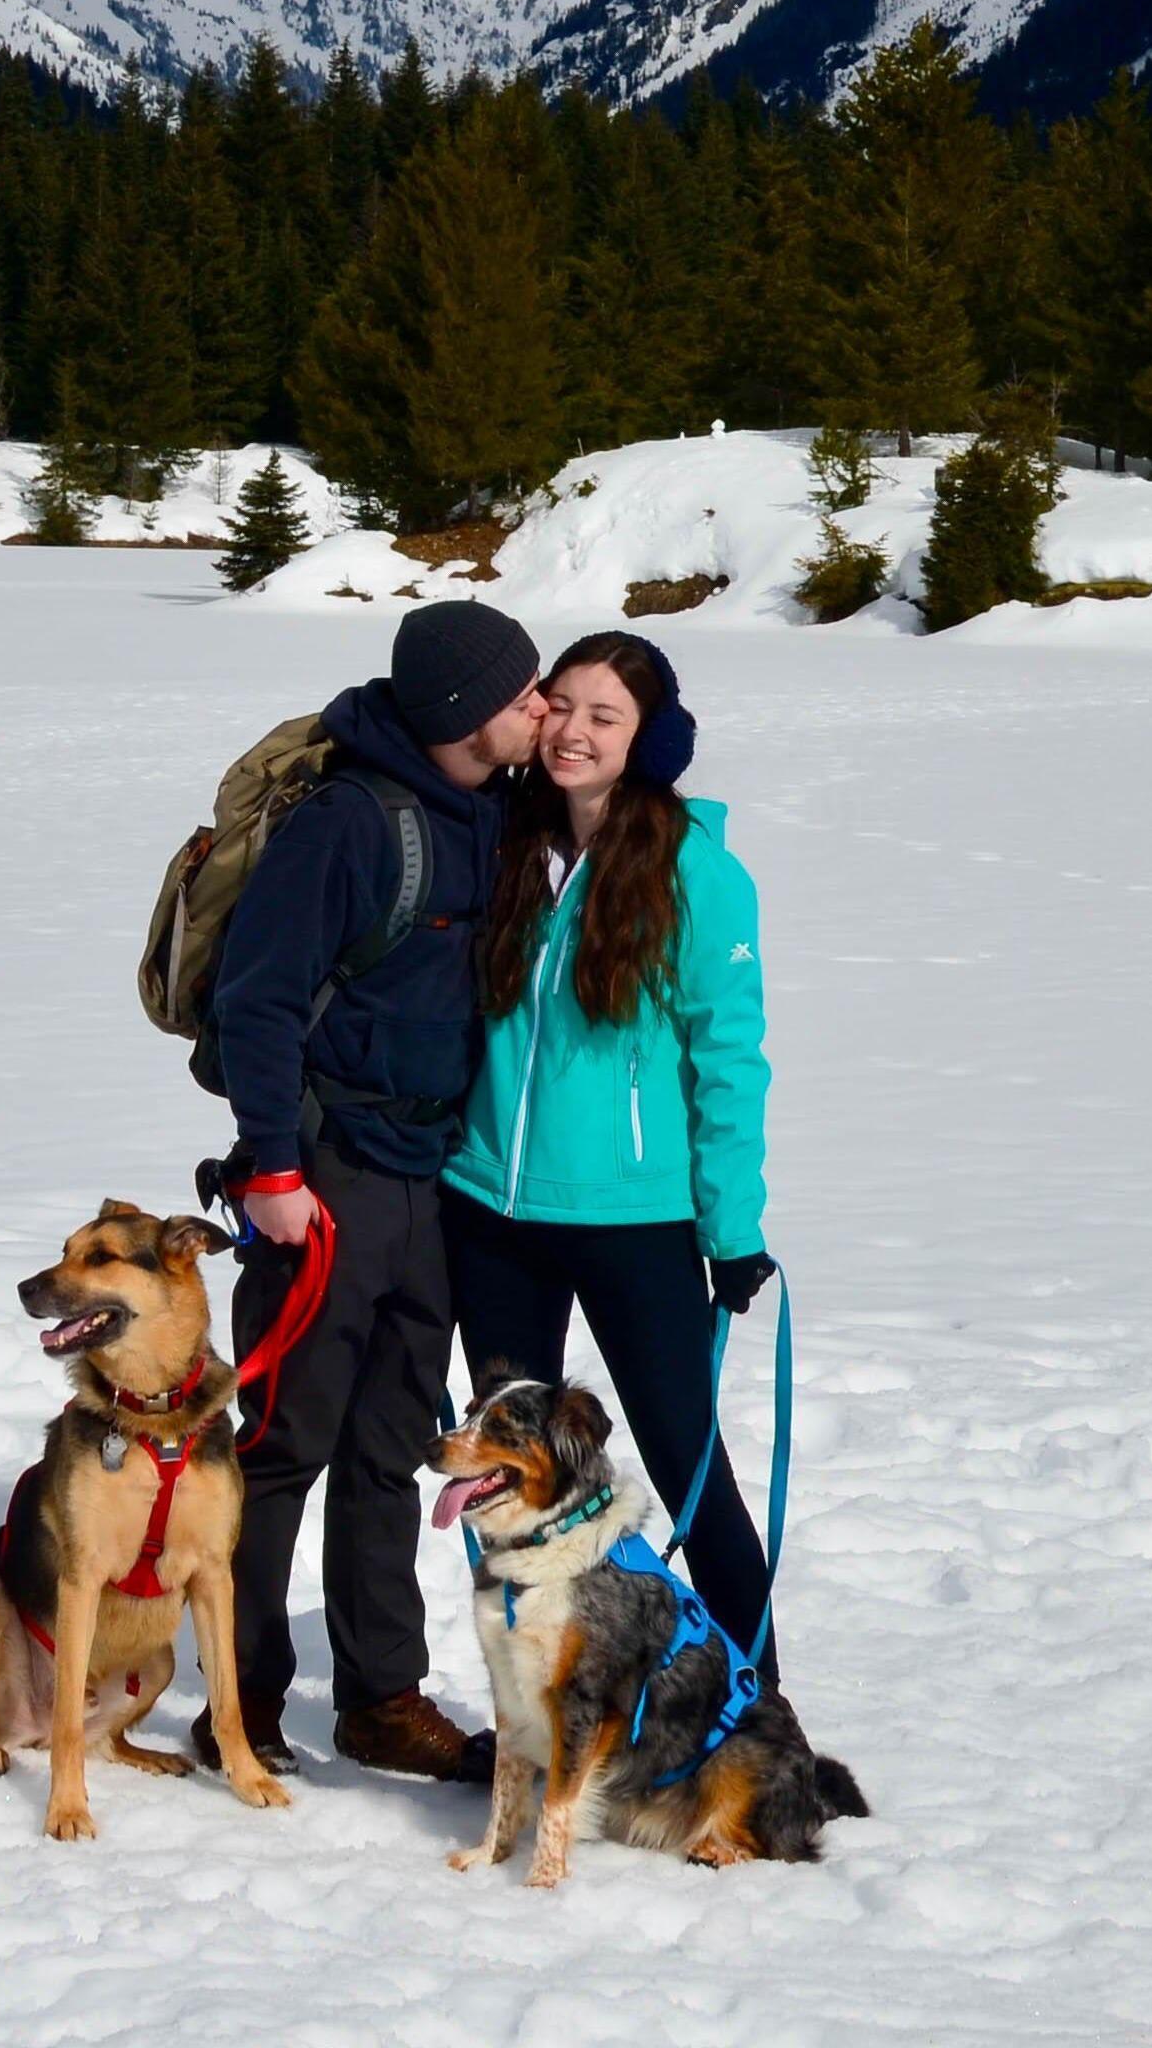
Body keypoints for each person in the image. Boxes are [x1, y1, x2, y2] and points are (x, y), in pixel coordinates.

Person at [200, 599, 545, 1785]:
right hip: (327, 1173)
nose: (539, 708)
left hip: (428, 1176)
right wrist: (272, 1166)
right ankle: (236, 1700)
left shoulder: (492, 811)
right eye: (522, 693)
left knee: (393, 1446)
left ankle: (380, 1697)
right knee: (283, 1441)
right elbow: (255, 997)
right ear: (461, 712)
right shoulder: (347, 825)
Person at [440, 630, 784, 1669]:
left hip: (632, 1221)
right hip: (490, 1213)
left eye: (606, 714)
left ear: (647, 738)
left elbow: (729, 1059)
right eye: (565, 705)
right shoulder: (503, 839)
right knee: (499, 1481)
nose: (575, 732)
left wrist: (730, 1226)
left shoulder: (696, 870)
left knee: (687, 1469)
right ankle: (534, 1705)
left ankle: (754, 1707)